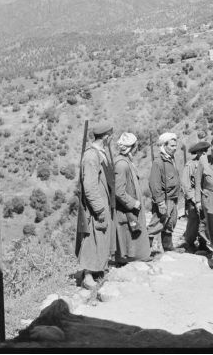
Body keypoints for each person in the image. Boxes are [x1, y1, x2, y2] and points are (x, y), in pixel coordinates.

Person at [75, 122, 115, 289]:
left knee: (101, 238)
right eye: (110, 136)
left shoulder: (100, 153)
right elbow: (90, 186)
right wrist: (99, 208)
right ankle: (88, 276)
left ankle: (99, 269)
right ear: (106, 137)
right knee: (92, 239)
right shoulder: (92, 156)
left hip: (103, 202)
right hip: (95, 207)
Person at [113, 132, 151, 263]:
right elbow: (119, 191)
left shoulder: (126, 161)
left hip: (132, 207)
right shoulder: (121, 164)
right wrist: (132, 203)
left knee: (133, 234)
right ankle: (130, 261)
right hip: (127, 208)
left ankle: (135, 258)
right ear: (133, 147)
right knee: (129, 235)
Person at [147, 132, 181, 252]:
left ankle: (168, 247)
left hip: (173, 198)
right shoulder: (159, 162)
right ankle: (145, 251)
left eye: (175, 145)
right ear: (164, 146)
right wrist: (160, 203)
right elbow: (154, 184)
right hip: (165, 199)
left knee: (170, 224)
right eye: (171, 146)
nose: (174, 148)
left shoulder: (171, 159)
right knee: (156, 225)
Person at [180, 140, 210, 253]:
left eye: (205, 151)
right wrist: (193, 198)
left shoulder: (209, 163)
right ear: (196, 153)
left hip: (205, 197)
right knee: (193, 222)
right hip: (193, 199)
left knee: (205, 221)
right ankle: (190, 243)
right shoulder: (190, 165)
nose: (203, 154)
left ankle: (203, 243)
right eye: (201, 152)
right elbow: (185, 183)